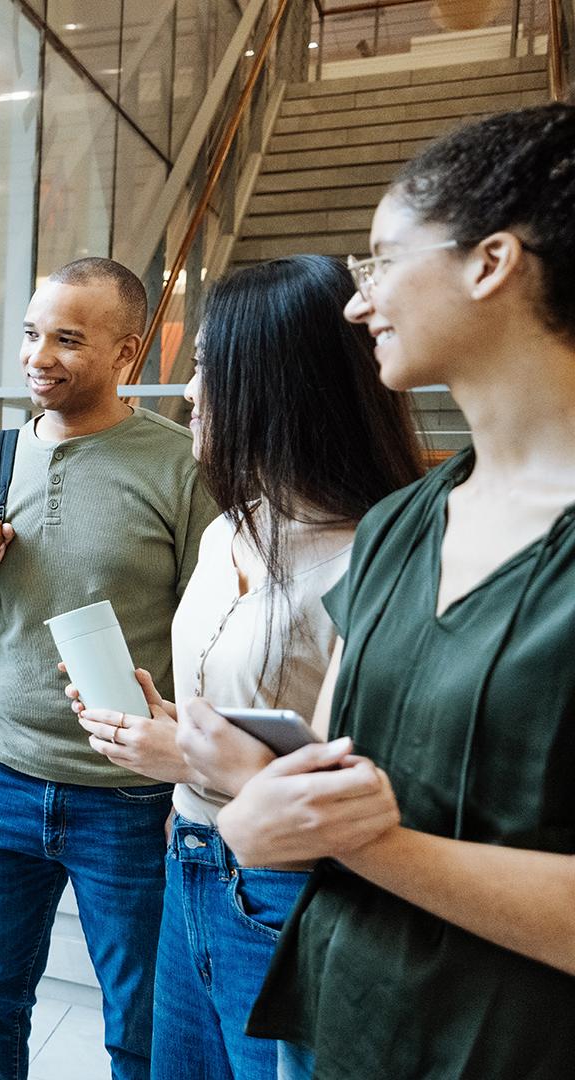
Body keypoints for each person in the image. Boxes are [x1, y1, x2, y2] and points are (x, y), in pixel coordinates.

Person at [183, 102, 575, 1080]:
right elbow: (327, 764)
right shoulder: (407, 523)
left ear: (490, 263)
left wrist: (355, 840)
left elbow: (336, 818)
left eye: (380, 263)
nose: (356, 305)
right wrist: (248, 773)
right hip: (344, 1015)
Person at [64, 255, 422, 1079]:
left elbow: (381, 783)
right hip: (191, 857)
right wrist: (168, 727)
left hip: (291, 897)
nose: (190, 394)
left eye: (205, 370)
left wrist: (183, 753)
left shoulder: (379, 555)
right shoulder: (231, 528)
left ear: (275, 382)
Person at [0, 258, 215, 1080]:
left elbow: (212, 624)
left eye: (68, 339)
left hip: (131, 802)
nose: (39, 356)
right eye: (32, 334)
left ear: (126, 354)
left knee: (140, 1021)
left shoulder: (180, 467)